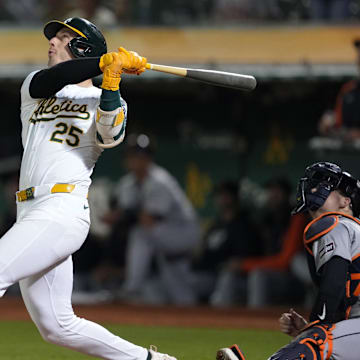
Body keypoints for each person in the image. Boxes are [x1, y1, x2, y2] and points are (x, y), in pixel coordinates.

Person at [0, 16, 176, 360]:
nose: (52, 42)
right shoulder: (36, 85)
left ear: (82, 47)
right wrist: (103, 63)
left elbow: (109, 136)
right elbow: (55, 78)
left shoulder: (107, 100)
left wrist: (112, 81)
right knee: (57, 326)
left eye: (63, 38)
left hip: (61, 209)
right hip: (31, 212)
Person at [216, 161, 360, 360]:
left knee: (315, 341)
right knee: (316, 343)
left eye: (328, 186)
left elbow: (334, 283)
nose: (315, 189)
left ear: (346, 201)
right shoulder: (349, 229)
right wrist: (310, 327)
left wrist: (316, 326)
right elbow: (341, 299)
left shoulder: (337, 224)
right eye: (314, 184)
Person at [109, 134, 200, 305]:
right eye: (132, 155)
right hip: (163, 237)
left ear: (149, 158)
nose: (135, 159)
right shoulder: (127, 183)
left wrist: (122, 215)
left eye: (140, 155)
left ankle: (132, 287)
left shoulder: (160, 181)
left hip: (183, 232)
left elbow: (147, 219)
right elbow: (122, 214)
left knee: (141, 233)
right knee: (179, 291)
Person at [210, 178, 308, 307]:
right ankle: (219, 322)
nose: (273, 196)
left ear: (286, 195)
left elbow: (285, 262)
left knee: (258, 275)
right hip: (268, 275)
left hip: (293, 280)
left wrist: (244, 265)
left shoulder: (296, 217)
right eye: (271, 191)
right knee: (229, 276)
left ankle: (256, 322)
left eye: (277, 192)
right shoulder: (266, 219)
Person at [191, 180, 259, 305]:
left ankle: (219, 319)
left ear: (234, 198)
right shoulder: (216, 225)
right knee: (186, 283)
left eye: (225, 195)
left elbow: (244, 258)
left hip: (238, 279)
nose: (221, 199)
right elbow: (202, 254)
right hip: (211, 275)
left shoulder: (244, 225)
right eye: (219, 195)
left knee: (227, 278)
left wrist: (230, 264)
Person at [318, 38, 360, 141]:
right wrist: (328, 123)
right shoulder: (348, 89)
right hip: (349, 152)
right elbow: (338, 120)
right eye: (358, 53)